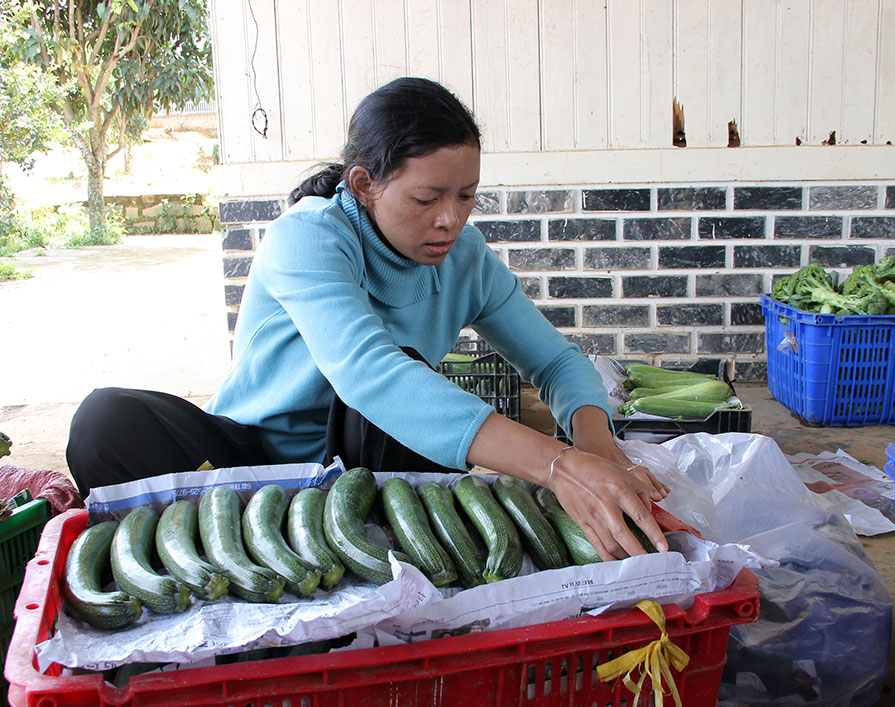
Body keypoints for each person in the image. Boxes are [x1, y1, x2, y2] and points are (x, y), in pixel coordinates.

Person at [66, 76, 669, 561]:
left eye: (466, 196)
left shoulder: (466, 260)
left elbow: (558, 362)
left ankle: (353, 548)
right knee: (106, 422)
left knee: (405, 405)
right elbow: (369, 373)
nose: (450, 221)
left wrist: (596, 445)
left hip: (362, 471)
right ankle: (239, 539)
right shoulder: (308, 237)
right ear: (364, 184)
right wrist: (557, 465)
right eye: (428, 199)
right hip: (244, 463)